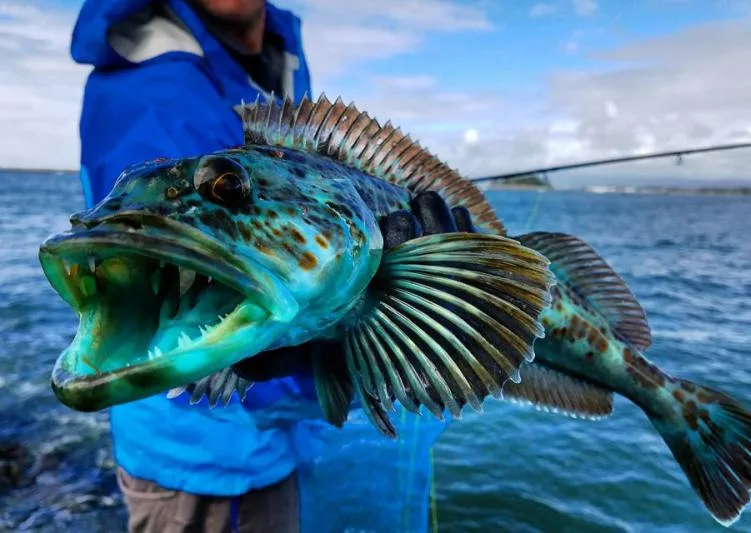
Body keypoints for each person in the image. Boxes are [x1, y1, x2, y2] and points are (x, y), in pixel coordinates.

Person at [69, 1, 475, 531]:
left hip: (277, 441)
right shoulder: (146, 84)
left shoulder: (274, 62)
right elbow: (158, 266)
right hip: (201, 461)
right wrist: (377, 354)